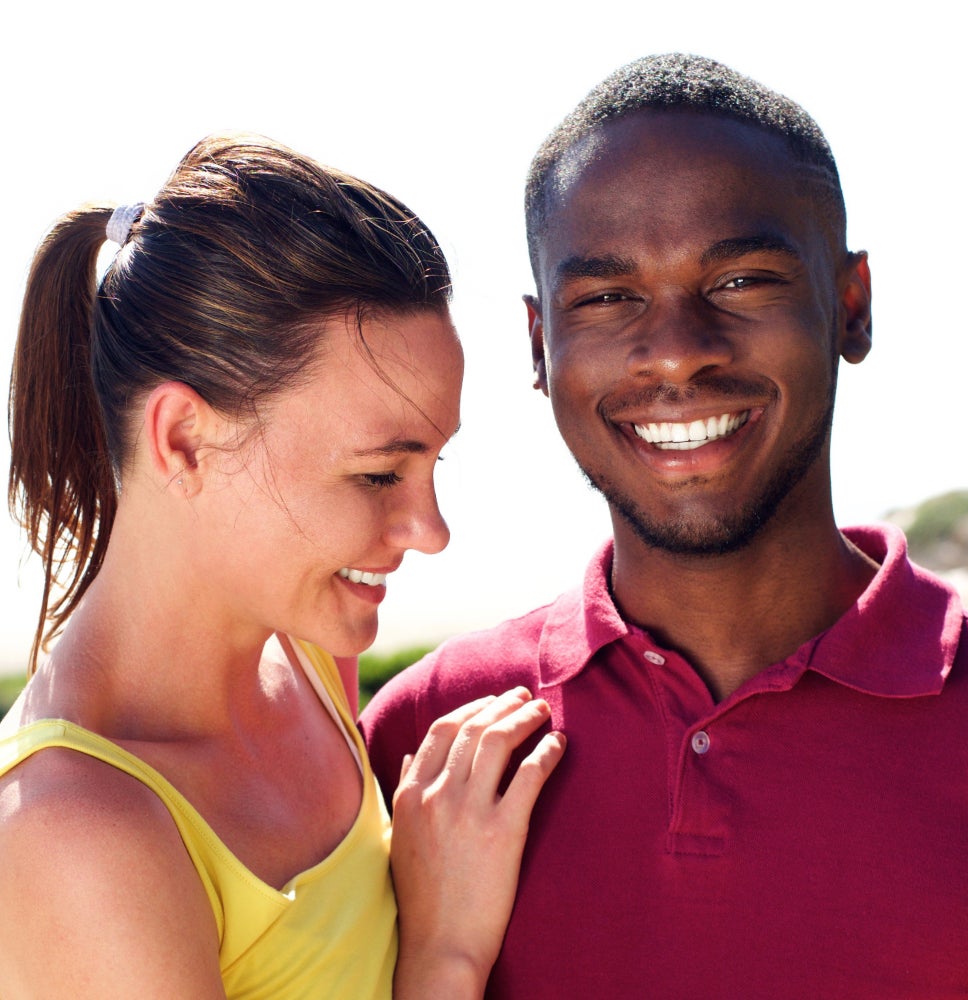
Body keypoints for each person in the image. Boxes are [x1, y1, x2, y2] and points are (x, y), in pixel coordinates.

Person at [358, 54, 968, 998]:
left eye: (740, 280)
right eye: (609, 298)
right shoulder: (424, 739)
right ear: (541, 348)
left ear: (850, 306)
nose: (676, 353)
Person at [0, 135, 564, 999]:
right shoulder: (74, 834)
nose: (431, 530)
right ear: (184, 439)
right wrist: (445, 951)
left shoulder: (310, 658)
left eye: (431, 467)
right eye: (378, 473)